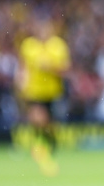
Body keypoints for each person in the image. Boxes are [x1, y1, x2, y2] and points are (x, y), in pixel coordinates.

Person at [17, 18, 71, 177]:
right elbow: (23, 67)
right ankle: (40, 149)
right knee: (39, 119)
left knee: (49, 125)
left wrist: (50, 67)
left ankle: (47, 144)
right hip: (34, 91)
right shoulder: (29, 46)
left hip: (53, 92)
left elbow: (65, 69)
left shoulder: (57, 45)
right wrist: (21, 81)